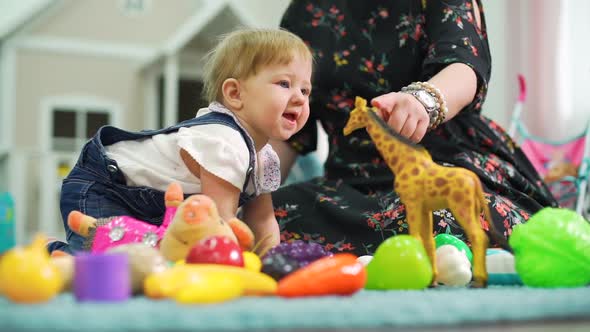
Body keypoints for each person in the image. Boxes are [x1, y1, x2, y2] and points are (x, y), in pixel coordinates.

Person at [267, 0, 558, 255]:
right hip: (347, 185)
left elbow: (464, 66)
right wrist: (242, 180)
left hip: (445, 161)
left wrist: (422, 101)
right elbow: (289, 133)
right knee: (270, 214)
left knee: (442, 216)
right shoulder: (303, 13)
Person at [48, 28, 313, 254]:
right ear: (235, 94)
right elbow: (219, 221)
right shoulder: (224, 141)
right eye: (284, 84)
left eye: (305, 89)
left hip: (159, 206)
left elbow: (263, 220)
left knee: (158, 256)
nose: (300, 98)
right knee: (110, 263)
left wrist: (273, 263)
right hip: (108, 186)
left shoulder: (264, 157)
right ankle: (52, 253)